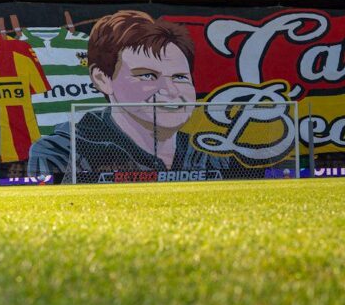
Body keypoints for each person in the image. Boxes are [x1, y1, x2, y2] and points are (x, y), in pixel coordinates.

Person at [26, 10, 230, 182]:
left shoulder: (210, 154)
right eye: (148, 75)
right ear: (102, 78)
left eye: (179, 77)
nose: (171, 90)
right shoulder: (63, 152)